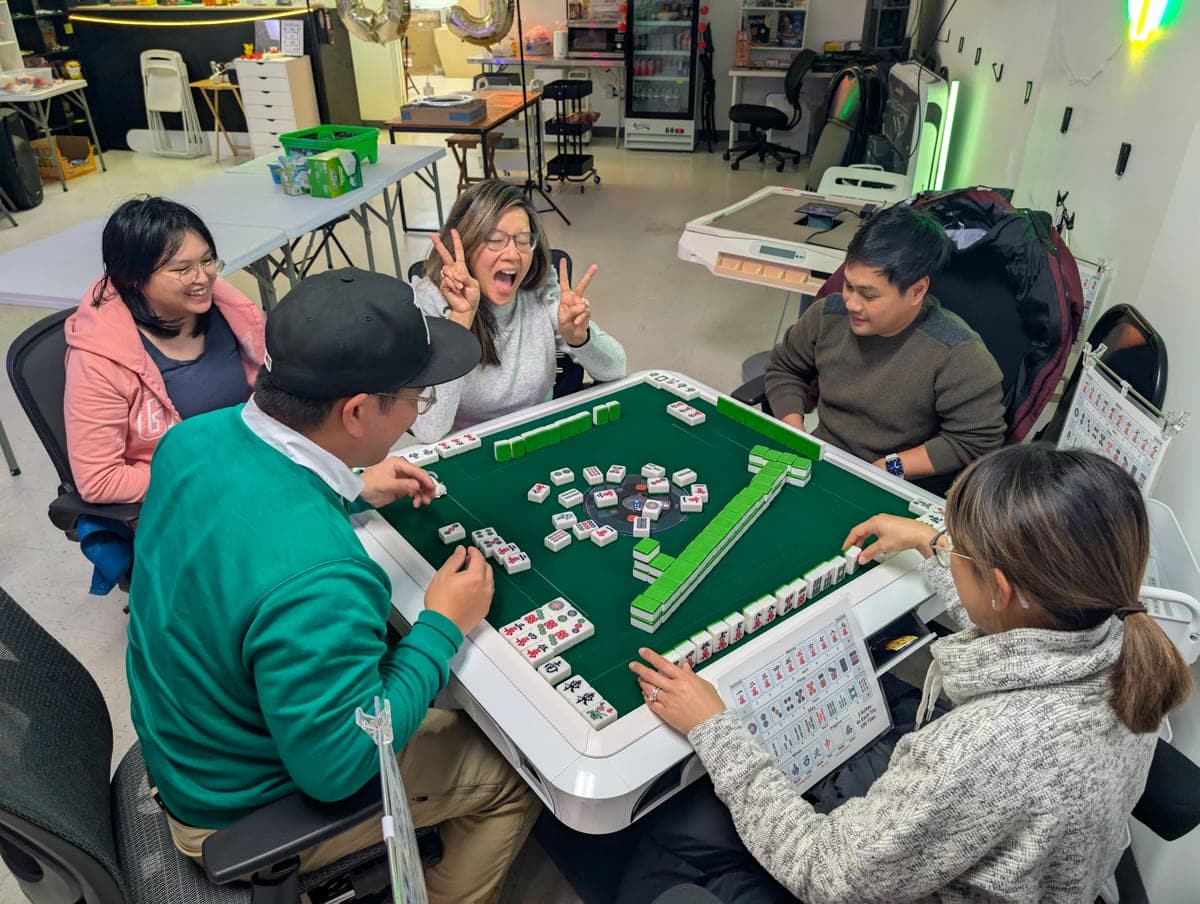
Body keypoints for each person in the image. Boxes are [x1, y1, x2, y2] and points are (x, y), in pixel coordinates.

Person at [619, 445, 1193, 903]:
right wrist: (933, 543)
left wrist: (714, 726)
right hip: (1031, 864)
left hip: (868, 874)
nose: (951, 551)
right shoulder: (1121, 636)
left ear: (1000, 587)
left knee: (671, 841)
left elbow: (825, 874)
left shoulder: (981, 751)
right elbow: (1016, 619)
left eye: (963, 551)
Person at [126, 269, 540, 902]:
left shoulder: (189, 440)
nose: (417, 413)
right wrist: (441, 627)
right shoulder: (322, 579)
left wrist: (346, 485)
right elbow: (340, 769)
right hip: (237, 809)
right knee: (515, 774)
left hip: (185, 740)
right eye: (417, 397)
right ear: (356, 411)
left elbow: (241, 518)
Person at [763, 203, 1005, 488]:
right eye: (848, 286)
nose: (852, 304)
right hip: (823, 461)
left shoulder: (958, 355)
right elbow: (784, 368)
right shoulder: (827, 315)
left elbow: (976, 440)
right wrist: (795, 432)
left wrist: (888, 467)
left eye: (869, 295)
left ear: (917, 291)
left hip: (894, 482)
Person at [64, 196, 266, 504]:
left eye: (207, 260)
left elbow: (273, 390)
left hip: (252, 465)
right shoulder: (100, 361)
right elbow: (99, 480)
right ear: (132, 278)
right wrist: (209, 478)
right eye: (183, 269)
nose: (203, 278)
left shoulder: (230, 310)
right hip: (186, 498)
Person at [409, 179, 626, 441]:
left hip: (540, 437)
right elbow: (429, 431)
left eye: (523, 241)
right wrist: (459, 323)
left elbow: (616, 369)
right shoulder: (430, 301)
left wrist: (581, 339)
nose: (512, 255)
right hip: (470, 448)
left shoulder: (540, 289)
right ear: (466, 244)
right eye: (495, 240)